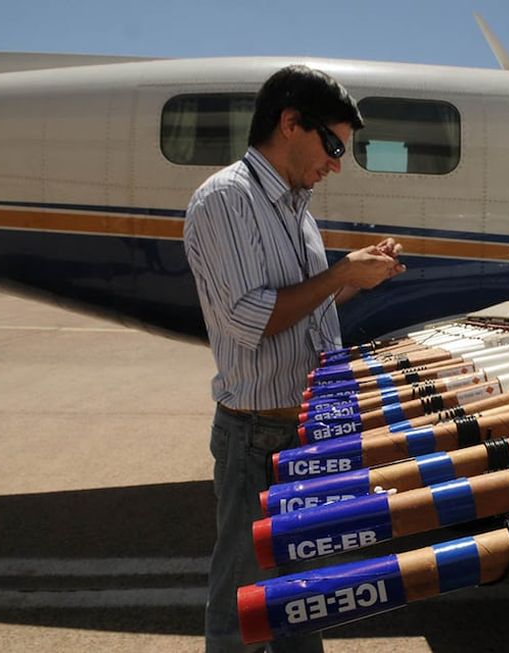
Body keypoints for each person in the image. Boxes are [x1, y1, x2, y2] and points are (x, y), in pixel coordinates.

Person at [184, 65, 405, 653]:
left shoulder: (295, 208)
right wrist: (337, 273)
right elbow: (249, 317)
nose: (337, 163)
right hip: (256, 437)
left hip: (303, 435)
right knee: (243, 605)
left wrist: (355, 279)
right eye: (333, 145)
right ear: (289, 124)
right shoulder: (226, 199)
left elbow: (303, 304)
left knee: (301, 602)